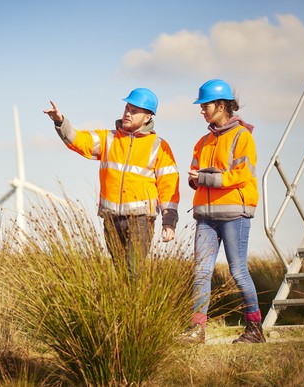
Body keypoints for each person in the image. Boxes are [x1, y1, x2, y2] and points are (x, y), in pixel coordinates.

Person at [43, 88, 180, 277]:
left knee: (133, 273)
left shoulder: (159, 146)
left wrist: (169, 221)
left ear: (148, 117)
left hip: (140, 219)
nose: (127, 113)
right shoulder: (108, 138)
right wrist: (60, 121)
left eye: (134, 111)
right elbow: (77, 140)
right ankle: (126, 306)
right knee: (120, 271)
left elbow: (169, 185)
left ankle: (135, 306)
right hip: (111, 218)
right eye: (127, 108)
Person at [182, 79, 265, 344]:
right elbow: (196, 173)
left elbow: (243, 174)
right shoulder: (203, 141)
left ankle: (254, 330)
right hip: (205, 216)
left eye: (205, 105)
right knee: (200, 272)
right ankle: (197, 331)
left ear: (221, 105)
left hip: (234, 214)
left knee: (238, 271)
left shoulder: (243, 136)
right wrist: (195, 179)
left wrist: (206, 179)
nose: (202, 110)